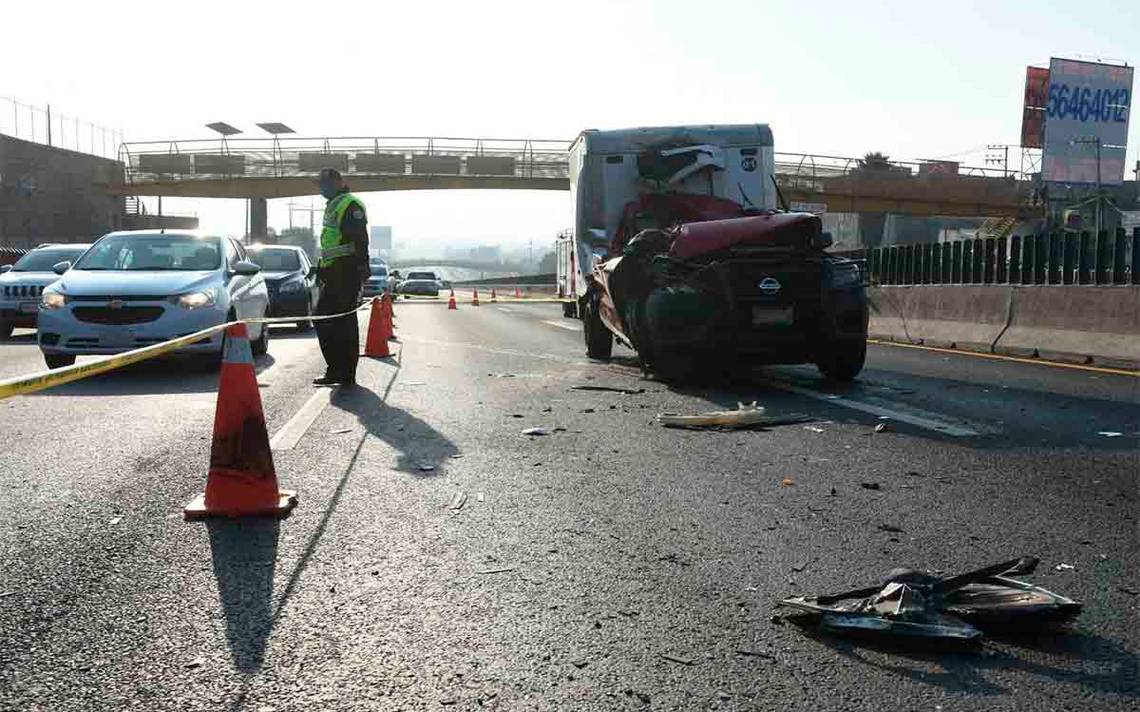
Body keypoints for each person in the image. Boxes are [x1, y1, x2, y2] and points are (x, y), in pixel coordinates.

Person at [312, 168, 370, 386]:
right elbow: (331, 242)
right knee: (331, 320)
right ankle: (340, 371)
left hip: (346, 271)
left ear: (337, 182)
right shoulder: (334, 204)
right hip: (333, 270)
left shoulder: (350, 204)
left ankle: (343, 372)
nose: (322, 189)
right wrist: (321, 268)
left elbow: (360, 238)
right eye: (320, 185)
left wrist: (363, 265)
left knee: (338, 321)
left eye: (325, 184)